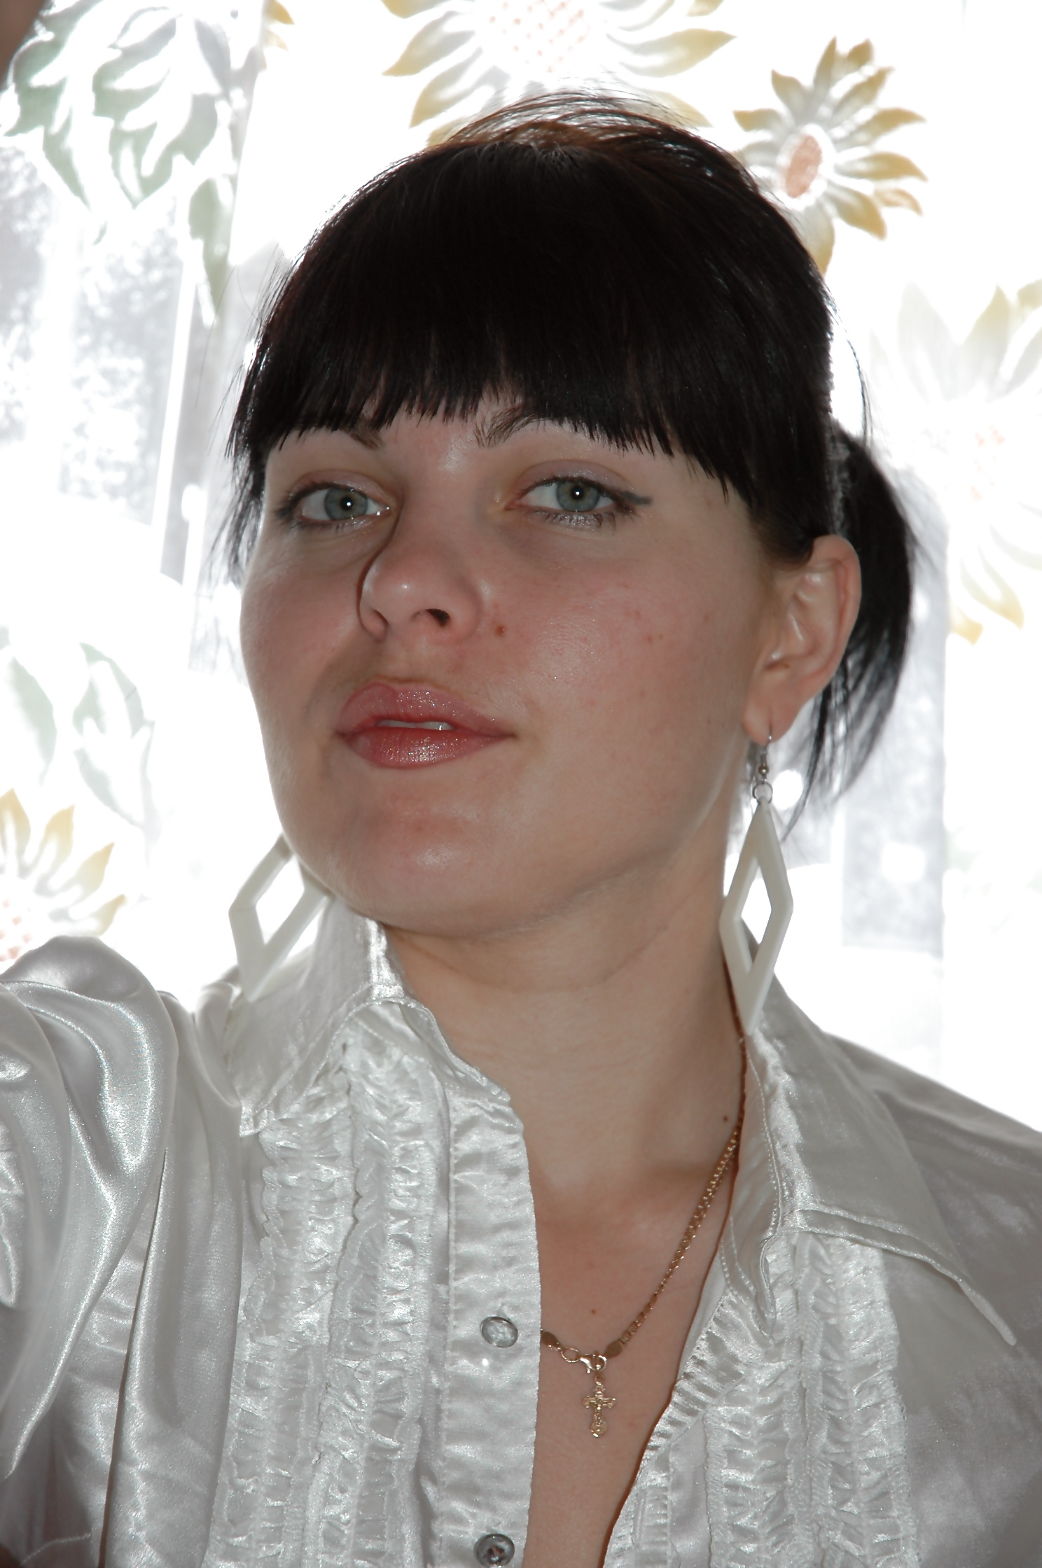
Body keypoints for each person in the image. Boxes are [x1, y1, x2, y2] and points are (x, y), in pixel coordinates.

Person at [1, 94, 1040, 1568]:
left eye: (566, 492)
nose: (401, 582)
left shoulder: (1007, 1299)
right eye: (333, 498)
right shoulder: (71, 1166)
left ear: (791, 632)